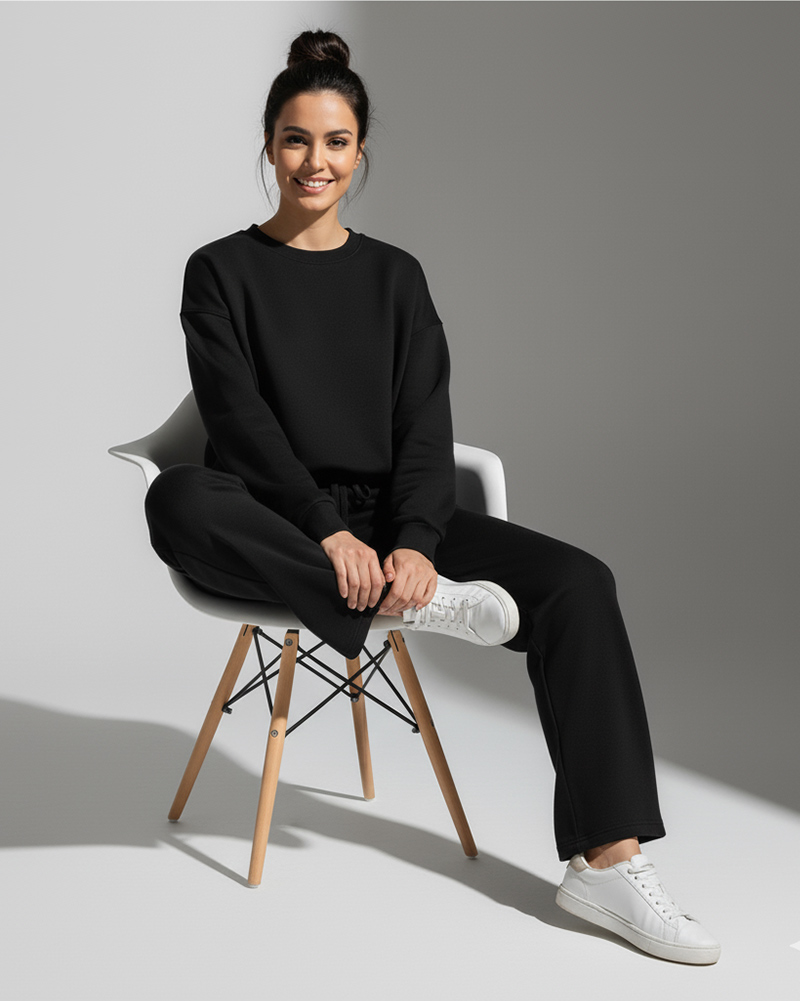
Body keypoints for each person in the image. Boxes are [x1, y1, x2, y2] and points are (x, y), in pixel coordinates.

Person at [143, 28, 721, 965]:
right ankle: (410, 604)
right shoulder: (219, 271)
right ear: (269, 147)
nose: (316, 161)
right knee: (176, 502)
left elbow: (424, 421)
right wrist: (325, 534)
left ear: (360, 150)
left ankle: (607, 862)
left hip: (397, 520)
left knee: (580, 583)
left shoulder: (394, 276)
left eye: (336, 141)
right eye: (297, 139)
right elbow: (239, 423)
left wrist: (413, 540)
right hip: (279, 521)